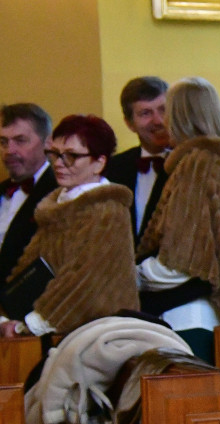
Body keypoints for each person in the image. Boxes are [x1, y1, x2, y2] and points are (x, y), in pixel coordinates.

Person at [136, 77, 220, 362]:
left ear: (181, 116)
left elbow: (181, 262)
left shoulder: (198, 163)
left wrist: (130, 274)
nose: (162, 121)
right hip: (201, 313)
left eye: (168, 111)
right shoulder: (217, 160)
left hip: (185, 315)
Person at [0, 115, 138, 336]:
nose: (58, 163)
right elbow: (28, 268)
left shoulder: (107, 210)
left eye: (71, 156)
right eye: (54, 154)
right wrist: (7, 314)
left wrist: (31, 325)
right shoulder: (57, 205)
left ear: (99, 162)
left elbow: (84, 284)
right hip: (59, 333)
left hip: (100, 336)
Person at [103, 76, 171, 244]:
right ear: (129, 124)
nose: (158, 120)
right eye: (146, 113)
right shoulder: (112, 168)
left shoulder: (193, 165)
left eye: (163, 109)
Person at [0, 103, 57, 286]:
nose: (9, 150)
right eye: (3, 142)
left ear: (47, 142)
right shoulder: (3, 191)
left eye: (20, 140)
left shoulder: (60, 193)